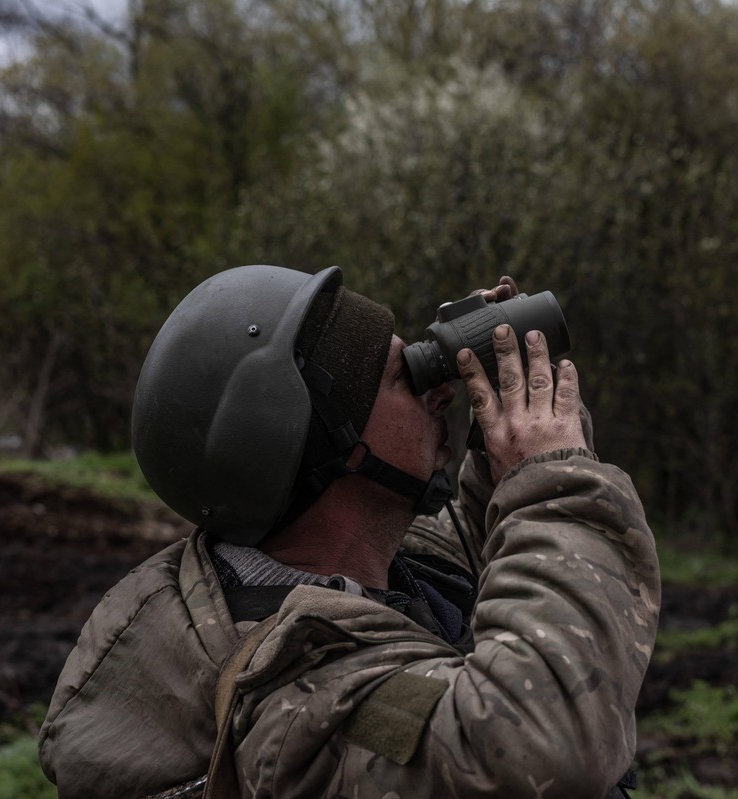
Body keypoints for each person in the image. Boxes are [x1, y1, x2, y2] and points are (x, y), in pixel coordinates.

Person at [37, 264, 661, 799]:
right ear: (321, 449)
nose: (437, 391)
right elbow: (537, 746)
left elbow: (485, 535)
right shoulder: (297, 700)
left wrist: (523, 398)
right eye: (403, 378)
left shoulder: (365, 567)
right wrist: (554, 475)